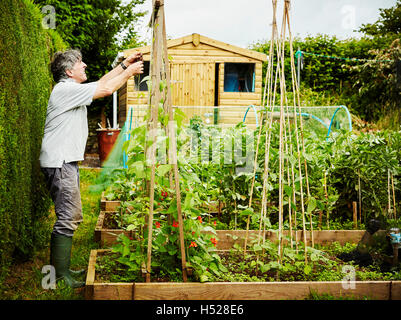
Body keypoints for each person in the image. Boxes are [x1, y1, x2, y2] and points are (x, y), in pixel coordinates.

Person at [40, 49, 144, 288]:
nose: (85, 65)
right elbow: (107, 89)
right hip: (60, 161)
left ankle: (61, 270)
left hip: (64, 160)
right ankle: (58, 277)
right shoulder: (65, 90)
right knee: (69, 217)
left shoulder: (69, 89)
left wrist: (123, 65)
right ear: (68, 72)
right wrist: (129, 72)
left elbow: (102, 83)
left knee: (72, 214)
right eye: (80, 63)